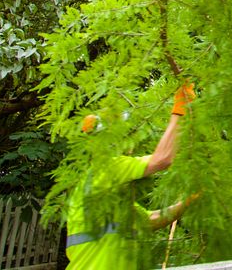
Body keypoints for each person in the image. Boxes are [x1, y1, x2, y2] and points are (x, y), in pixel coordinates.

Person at [63, 84, 198, 270]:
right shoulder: (108, 168)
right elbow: (163, 159)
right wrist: (180, 110)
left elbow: (153, 219)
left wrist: (189, 200)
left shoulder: (109, 195)